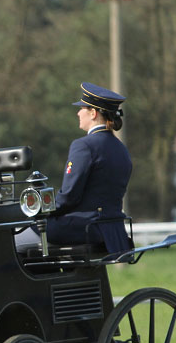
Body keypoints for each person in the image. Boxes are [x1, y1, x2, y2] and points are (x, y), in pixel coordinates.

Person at [46, 82, 133, 252]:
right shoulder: (121, 148)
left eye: (82, 109)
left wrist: (42, 211)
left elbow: (69, 196)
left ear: (93, 113)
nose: (78, 113)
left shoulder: (84, 146)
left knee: (17, 235)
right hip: (113, 229)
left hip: (85, 227)